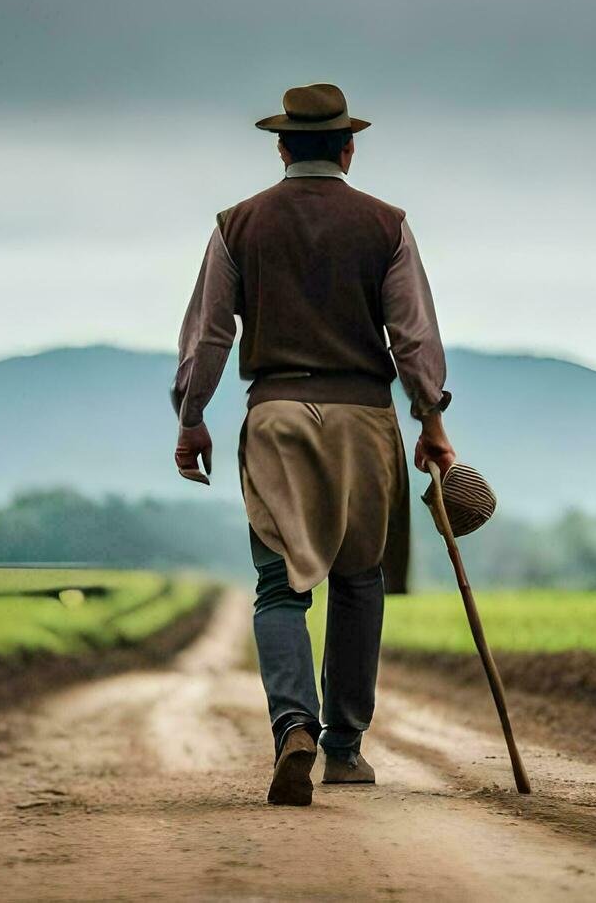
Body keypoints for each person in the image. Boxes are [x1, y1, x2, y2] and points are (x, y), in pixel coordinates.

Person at [170, 83, 456, 806]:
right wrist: (431, 420)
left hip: (275, 416)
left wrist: (191, 414)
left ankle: (293, 723)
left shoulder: (238, 225)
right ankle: (345, 749)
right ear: (349, 149)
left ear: (282, 146)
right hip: (364, 417)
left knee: (278, 585)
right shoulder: (386, 225)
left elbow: (210, 333)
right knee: (359, 582)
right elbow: (413, 336)